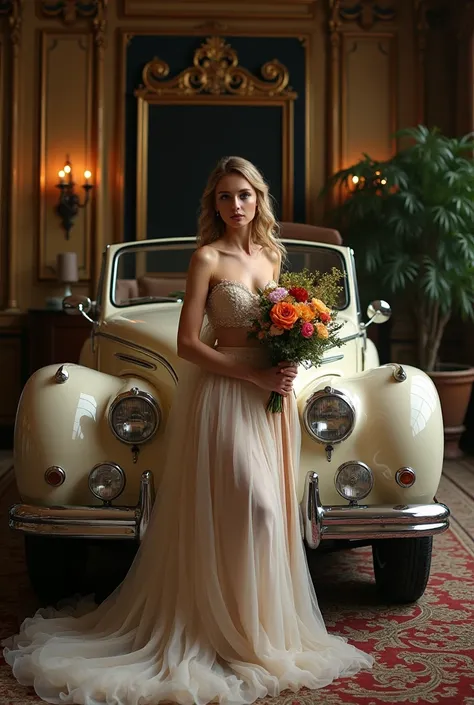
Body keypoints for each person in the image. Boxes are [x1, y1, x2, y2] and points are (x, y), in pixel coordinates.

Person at [2, 156, 373, 705]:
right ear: (214, 204)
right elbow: (188, 343)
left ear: (258, 198)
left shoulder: (272, 255)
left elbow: (276, 323)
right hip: (225, 394)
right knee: (255, 506)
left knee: (267, 511)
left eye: (244, 194)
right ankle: (215, 627)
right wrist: (252, 372)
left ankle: (255, 633)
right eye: (225, 196)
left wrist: (290, 359)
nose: (236, 205)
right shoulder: (206, 257)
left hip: (269, 395)